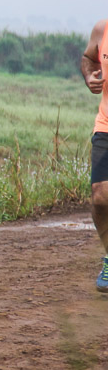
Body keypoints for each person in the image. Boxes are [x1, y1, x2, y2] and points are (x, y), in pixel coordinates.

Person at [80, 19, 108, 291]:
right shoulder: (103, 30)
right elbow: (89, 58)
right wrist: (90, 75)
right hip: (106, 126)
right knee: (100, 197)